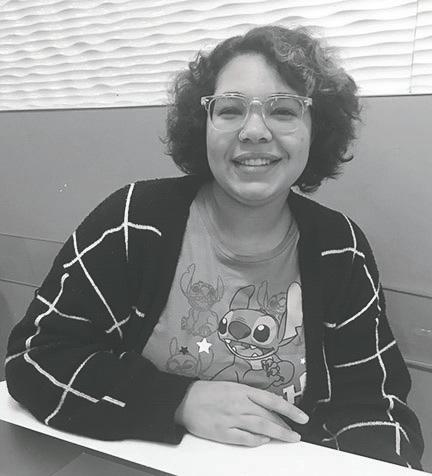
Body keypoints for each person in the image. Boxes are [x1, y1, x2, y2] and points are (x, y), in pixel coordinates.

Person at [5, 25, 424, 469]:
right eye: (230, 109)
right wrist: (179, 401)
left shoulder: (341, 249)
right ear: (202, 125)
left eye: (284, 110)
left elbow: (375, 409)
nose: (254, 131)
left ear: (316, 129)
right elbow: (36, 360)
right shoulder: (133, 222)